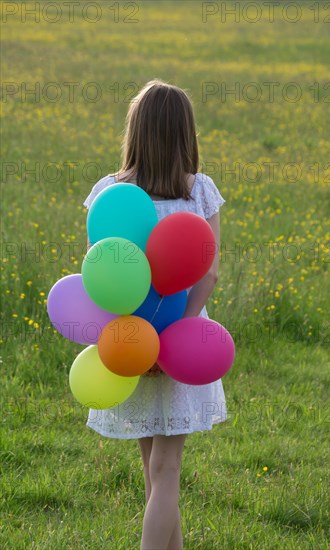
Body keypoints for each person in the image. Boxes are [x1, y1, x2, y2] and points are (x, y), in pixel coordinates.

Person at [83, 79, 228, 550]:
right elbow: (207, 275)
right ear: (187, 134)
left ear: (135, 131)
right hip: (187, 346)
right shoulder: (199, 192)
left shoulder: (110, 193)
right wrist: (179, 333)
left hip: (128, 344)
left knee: (154, 472)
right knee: (165, 472)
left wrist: (144, 345)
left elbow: (98, 274)